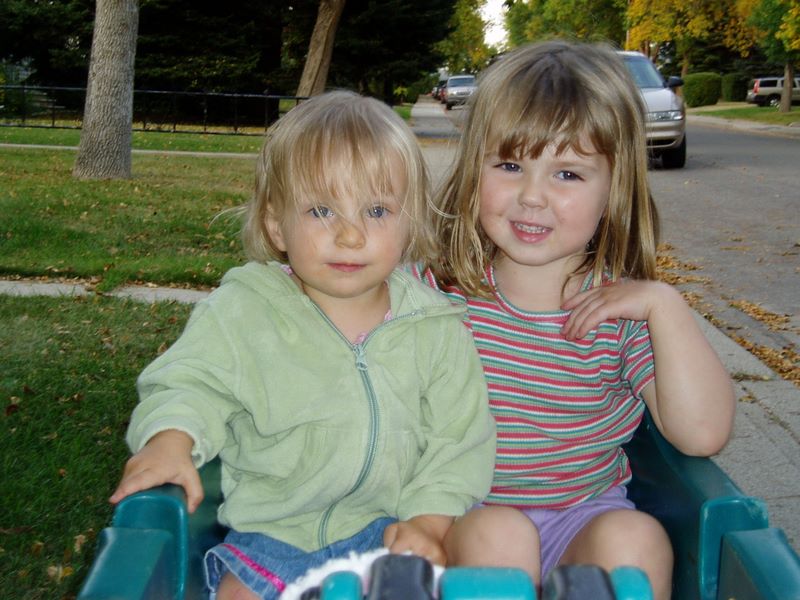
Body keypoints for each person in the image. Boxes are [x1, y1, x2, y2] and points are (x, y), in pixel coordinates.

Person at [109, 90, 496, 600]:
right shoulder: (246, 311)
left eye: (376, 210)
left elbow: (460, 441)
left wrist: (428, 521)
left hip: (393, 531)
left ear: (410, 221)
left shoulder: (435, 326)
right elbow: (190, 381)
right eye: (321, 210)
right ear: (277, 224)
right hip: (273, 536)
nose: (350, 235)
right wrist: (170, 440)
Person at [410, 40, 735, 599]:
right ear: (472, 169)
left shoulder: (619, 312)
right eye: (510, 165)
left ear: (614, 188)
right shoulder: (434, 291)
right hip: (463, 516)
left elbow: (702, 434)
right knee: (500, 533)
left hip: (581, 517)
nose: (532, 197)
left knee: (637, 539)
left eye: (567, 174)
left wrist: (665, 307)